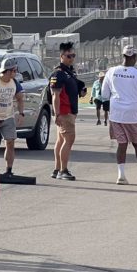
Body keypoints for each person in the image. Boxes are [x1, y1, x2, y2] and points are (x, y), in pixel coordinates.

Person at [102, 45, 137, 186]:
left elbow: (104, 94)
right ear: (135, 57)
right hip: (134, 113)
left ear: (123, 56)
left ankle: (121, 175)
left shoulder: (111, 71)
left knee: (121, 144)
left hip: (117, 113)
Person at [49, 41, 85, 181]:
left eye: (73, 55)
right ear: (61, 56)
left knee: (60, 140)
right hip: (64, 112)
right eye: (69, 56)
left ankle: (57, 169)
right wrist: (57, 113)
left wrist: (80, 89)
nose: (71, 58)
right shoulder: (58, 73)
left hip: (68, 111)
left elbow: (72, 88)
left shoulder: (69, 72)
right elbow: (55, 95)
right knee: (68, 140)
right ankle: (63, 170)